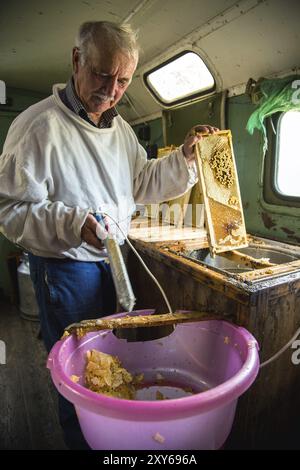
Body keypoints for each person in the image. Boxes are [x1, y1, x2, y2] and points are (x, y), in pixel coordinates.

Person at [0, 21, 218, 449]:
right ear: (77, 59)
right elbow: (10, 211)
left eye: (122, 80)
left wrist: (185, 157)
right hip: (67, 269)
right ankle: (83, 442)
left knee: (112, 363)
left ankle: (113, 440)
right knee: (80, 374)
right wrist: (72, 224)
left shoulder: (120, 130)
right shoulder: (36, 127)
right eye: (102, 74)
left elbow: (142, 183)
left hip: (114, 260)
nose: (111, 89)